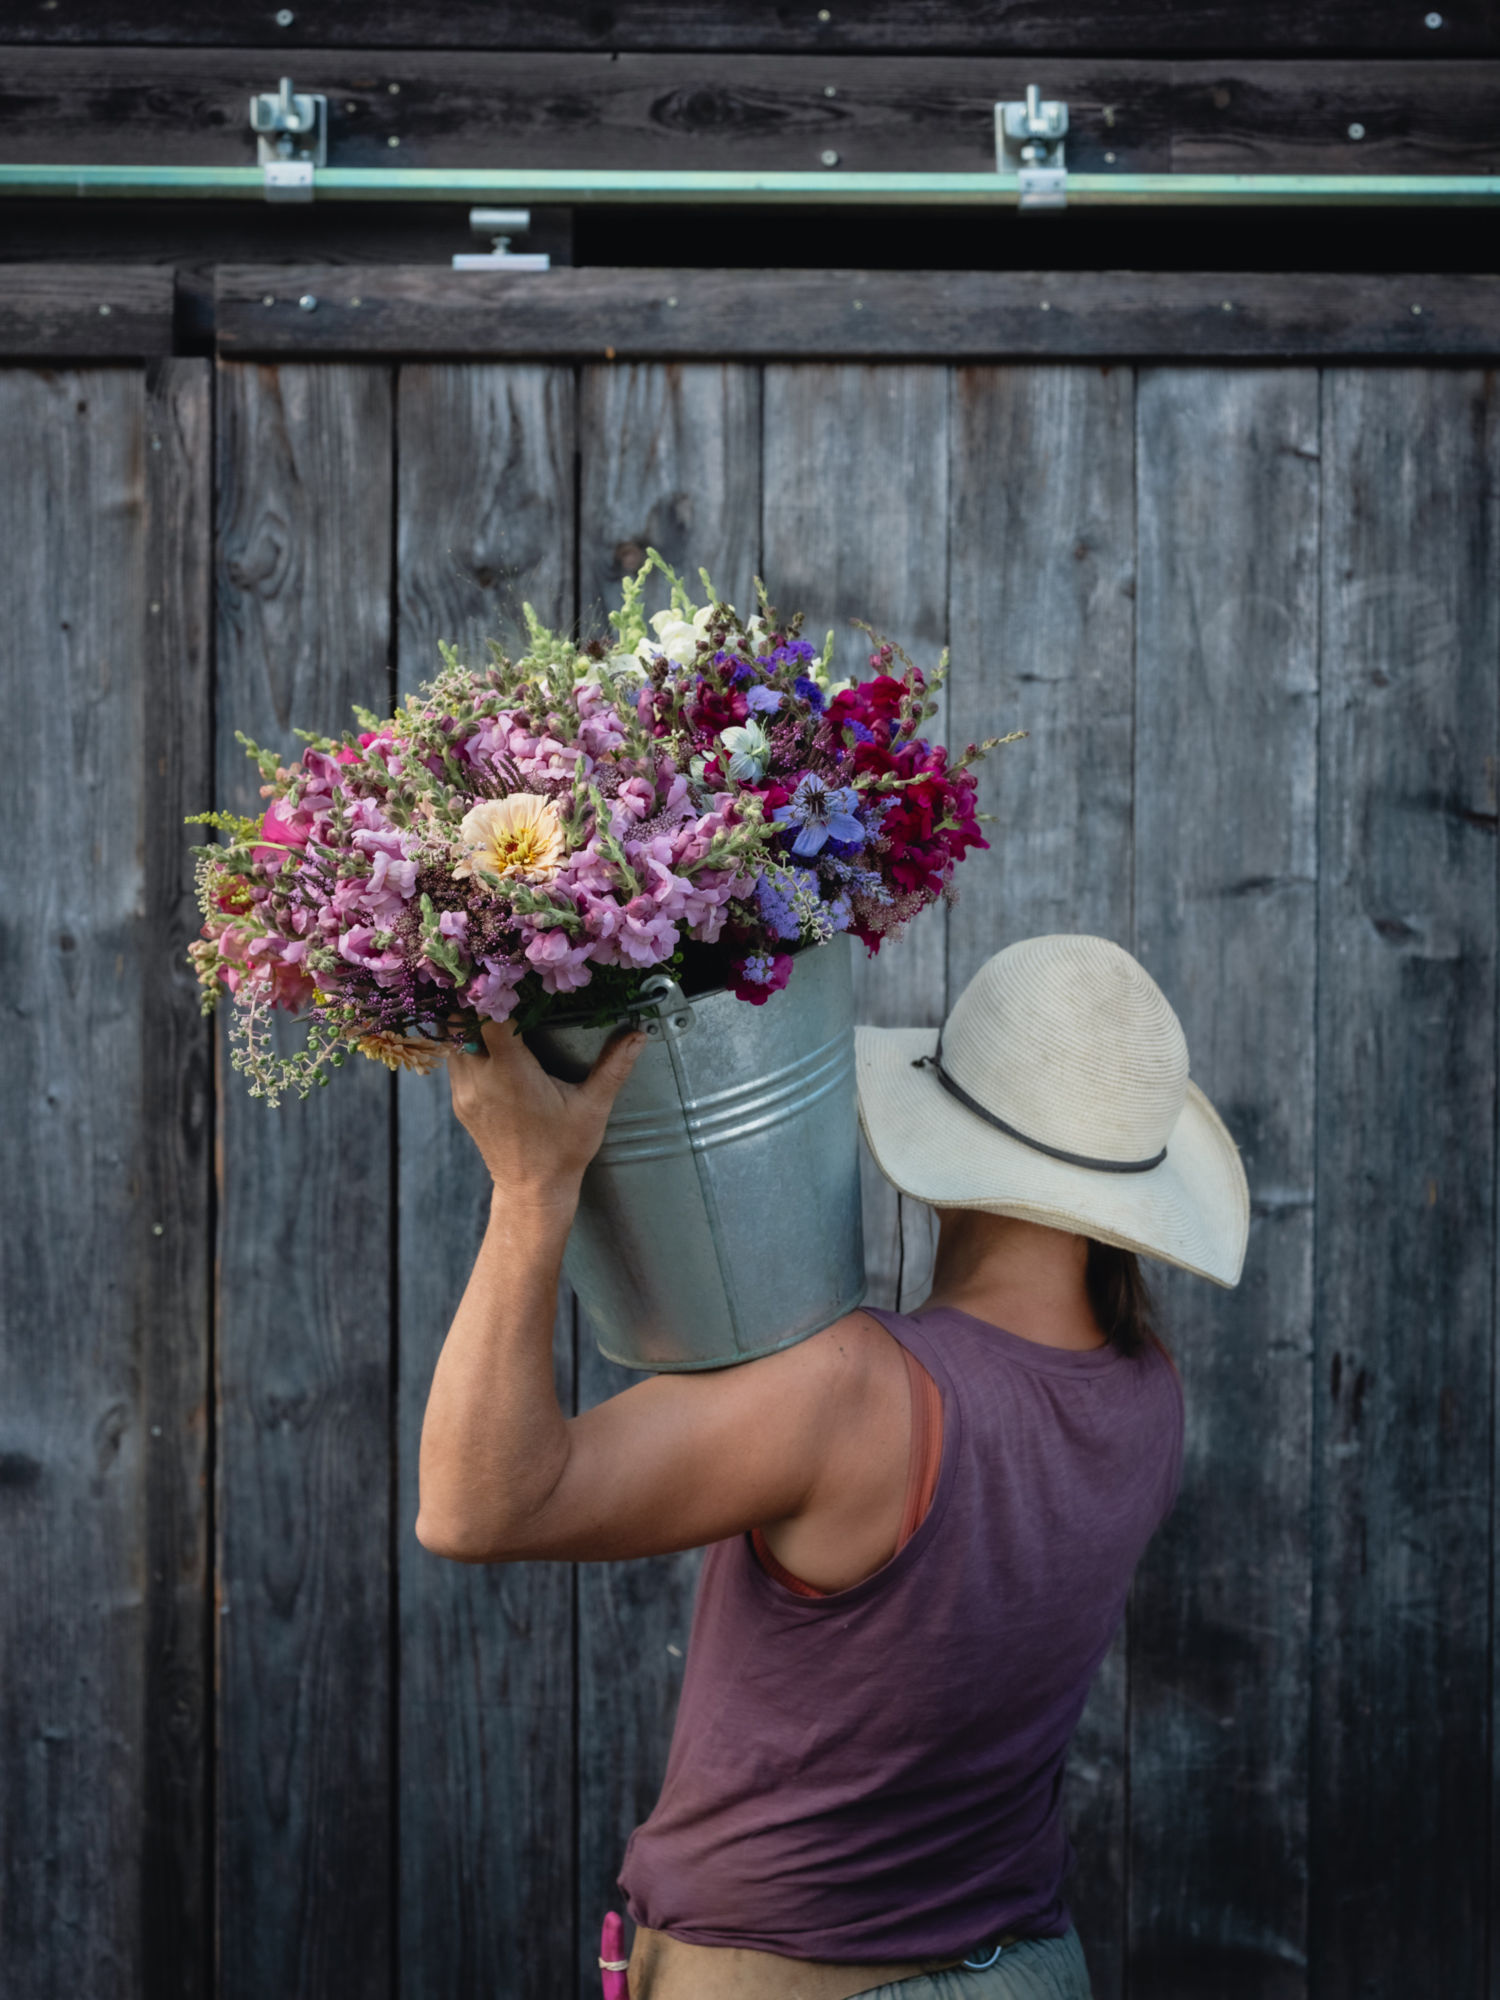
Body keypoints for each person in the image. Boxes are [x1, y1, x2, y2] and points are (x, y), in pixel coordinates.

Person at [416, 933, 1249, 2000]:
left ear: (949, 1135)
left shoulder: (858, 1394)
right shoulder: (1149, 1396)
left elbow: (475, 1508)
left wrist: (532, 1187)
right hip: (1031, 1968)